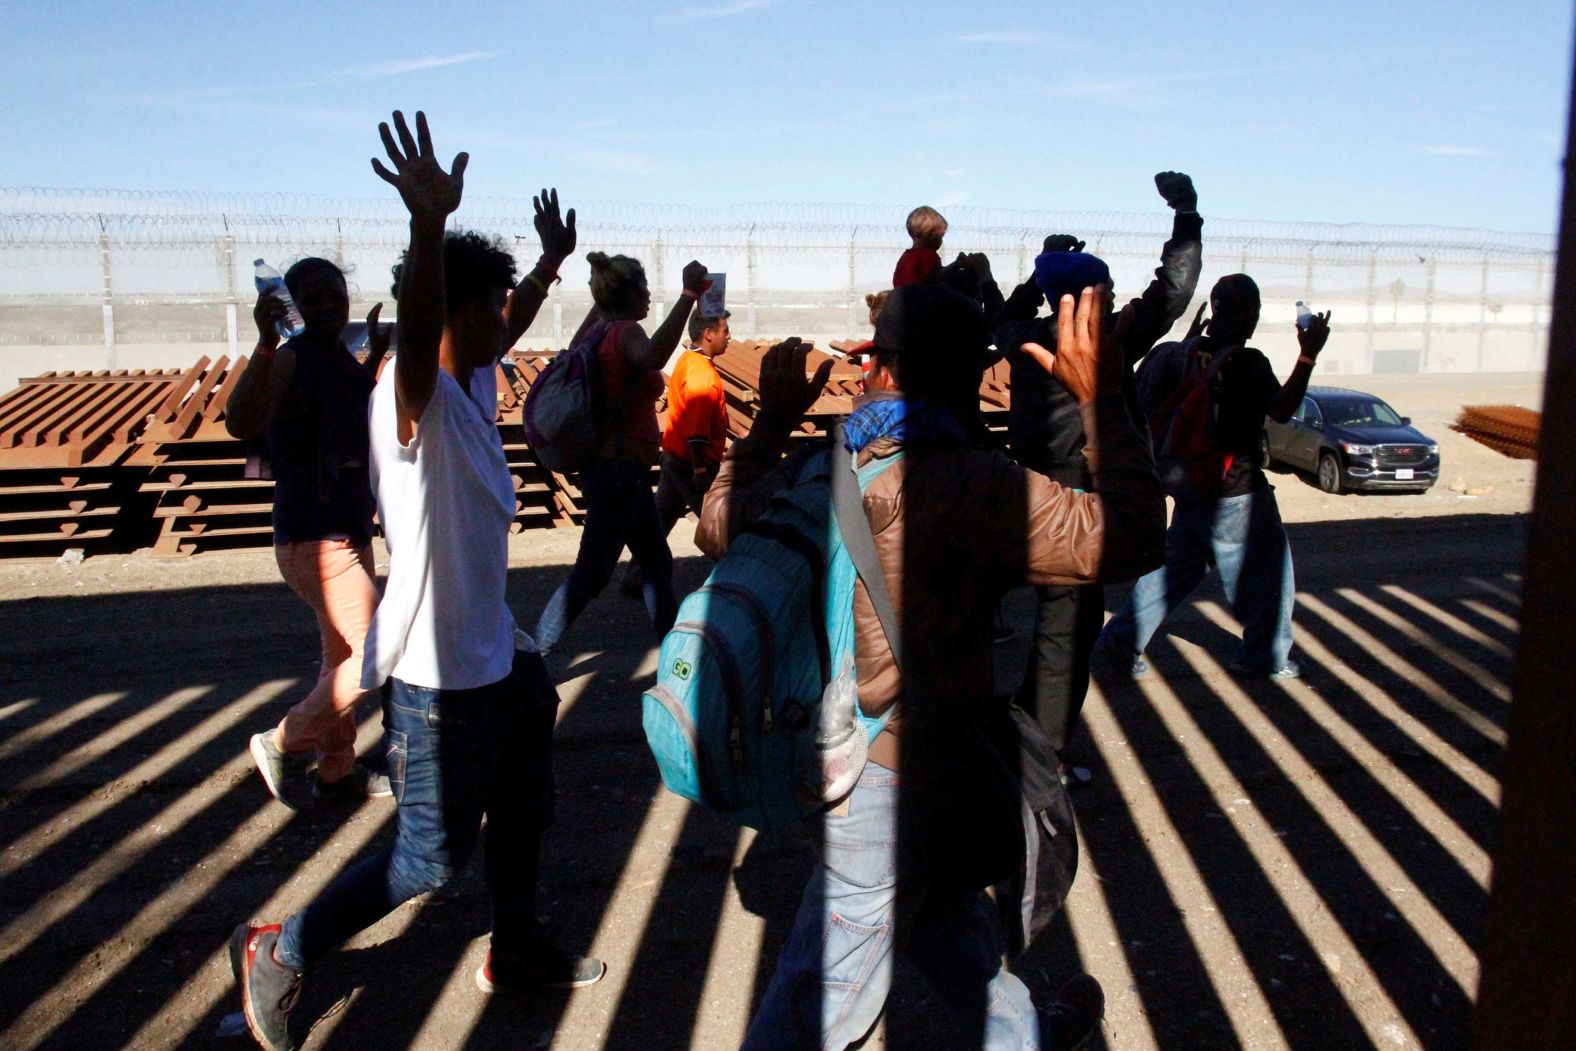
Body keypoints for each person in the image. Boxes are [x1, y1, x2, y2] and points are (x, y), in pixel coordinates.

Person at [698, 283, 1166, 1050]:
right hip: (891, 785)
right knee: (815, 1005)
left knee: (947, 922)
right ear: (967, 380)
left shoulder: (826, 464)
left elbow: (716, 523)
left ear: (879, 368)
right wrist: (1104, 398)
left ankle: (1020, 1039)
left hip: (834, 757)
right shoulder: (974, 485)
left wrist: (773, 420)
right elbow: (1134, 536)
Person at [231, 111, 601, 1051]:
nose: (506, 321)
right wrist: (429, 226)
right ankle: (284, 946)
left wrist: (553, 264)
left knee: (527, 805)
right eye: (494, 305)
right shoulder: (414, 394)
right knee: (429, 858)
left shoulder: (474, 378)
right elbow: (437, 319)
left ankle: (514, 948)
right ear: (455, 310)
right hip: (437, 678)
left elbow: (493, 321)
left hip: (498, 659)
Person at [994, 171, 1203, 783]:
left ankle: (1021, 730)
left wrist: (1043, 268)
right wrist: (1185, 214)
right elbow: (1173, 292)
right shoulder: (1104, 342)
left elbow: (1005, 314)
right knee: (1066, 628)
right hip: (1081, 490)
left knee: (1059, 622)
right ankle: (1042, 760)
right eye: (1104, 289)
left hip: (1031, 485)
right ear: (1092, 299)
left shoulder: (1024, 338)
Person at [1096, 273, 1332, 680]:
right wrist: (1307, 356)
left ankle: (1120, 641)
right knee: (1268, 577)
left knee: (1170, 572)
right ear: (1250, 316)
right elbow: (1280, 409)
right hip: (1235, 491)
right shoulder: (1246, 361)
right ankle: (1266, 657)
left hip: (1188, 486)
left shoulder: (1183, 353)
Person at [225, 257, 392, 809]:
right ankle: (283, 741)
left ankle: (338, 771)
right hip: (314, 539)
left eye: (335, 295)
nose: (327, 306)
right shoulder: (292, 359)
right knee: (380, 651)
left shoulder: (334, 357)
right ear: (292, 304)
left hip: (345, 530)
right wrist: (265, 344)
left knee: (341, 654)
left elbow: (341, 418)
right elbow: (241, 421)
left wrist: (371, 361)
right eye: (313, 297)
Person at [532, 250, 710, 656]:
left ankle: (669, 652)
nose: (649, 295)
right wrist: (686, 297)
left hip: (618, 472)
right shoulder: (626, 332)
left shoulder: (596, 330)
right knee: (591, 576)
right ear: (627, 295)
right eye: (643, 288)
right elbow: (653, 356)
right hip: (617, 475)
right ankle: (533, 654)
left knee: (656, 564)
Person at [892, 205, 947, 287]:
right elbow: (937, 281)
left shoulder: (905, 257)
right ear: (931, 236)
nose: (941, 241)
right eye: (940, 237)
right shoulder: (928, 256)